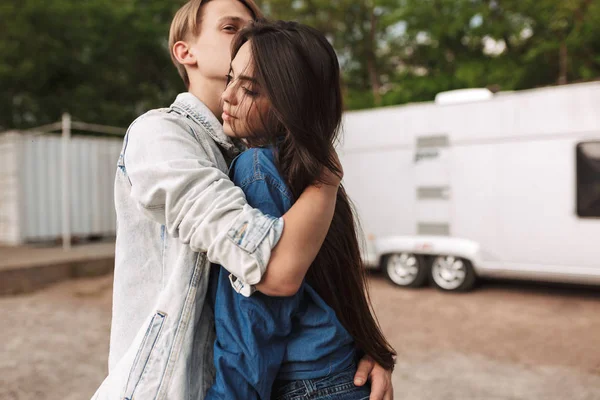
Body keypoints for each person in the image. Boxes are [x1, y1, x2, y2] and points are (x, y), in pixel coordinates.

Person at [91, 1, 393, 399]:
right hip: (171, 386)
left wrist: (362, 348)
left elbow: (325, 272)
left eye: (256, 26)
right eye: (231, 26)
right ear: (185, 51)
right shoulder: (160, 134)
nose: (250, 37)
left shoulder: (264, 154)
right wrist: (327, 178)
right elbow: (273, 270)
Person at [205, 20, 396, 400]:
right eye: (230, 78)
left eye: (250, 89)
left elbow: (256, 314)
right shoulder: (310, 175)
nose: (226, 96)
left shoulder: (257, 168)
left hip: (306, 386)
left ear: (290, 103)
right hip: (340, 375)